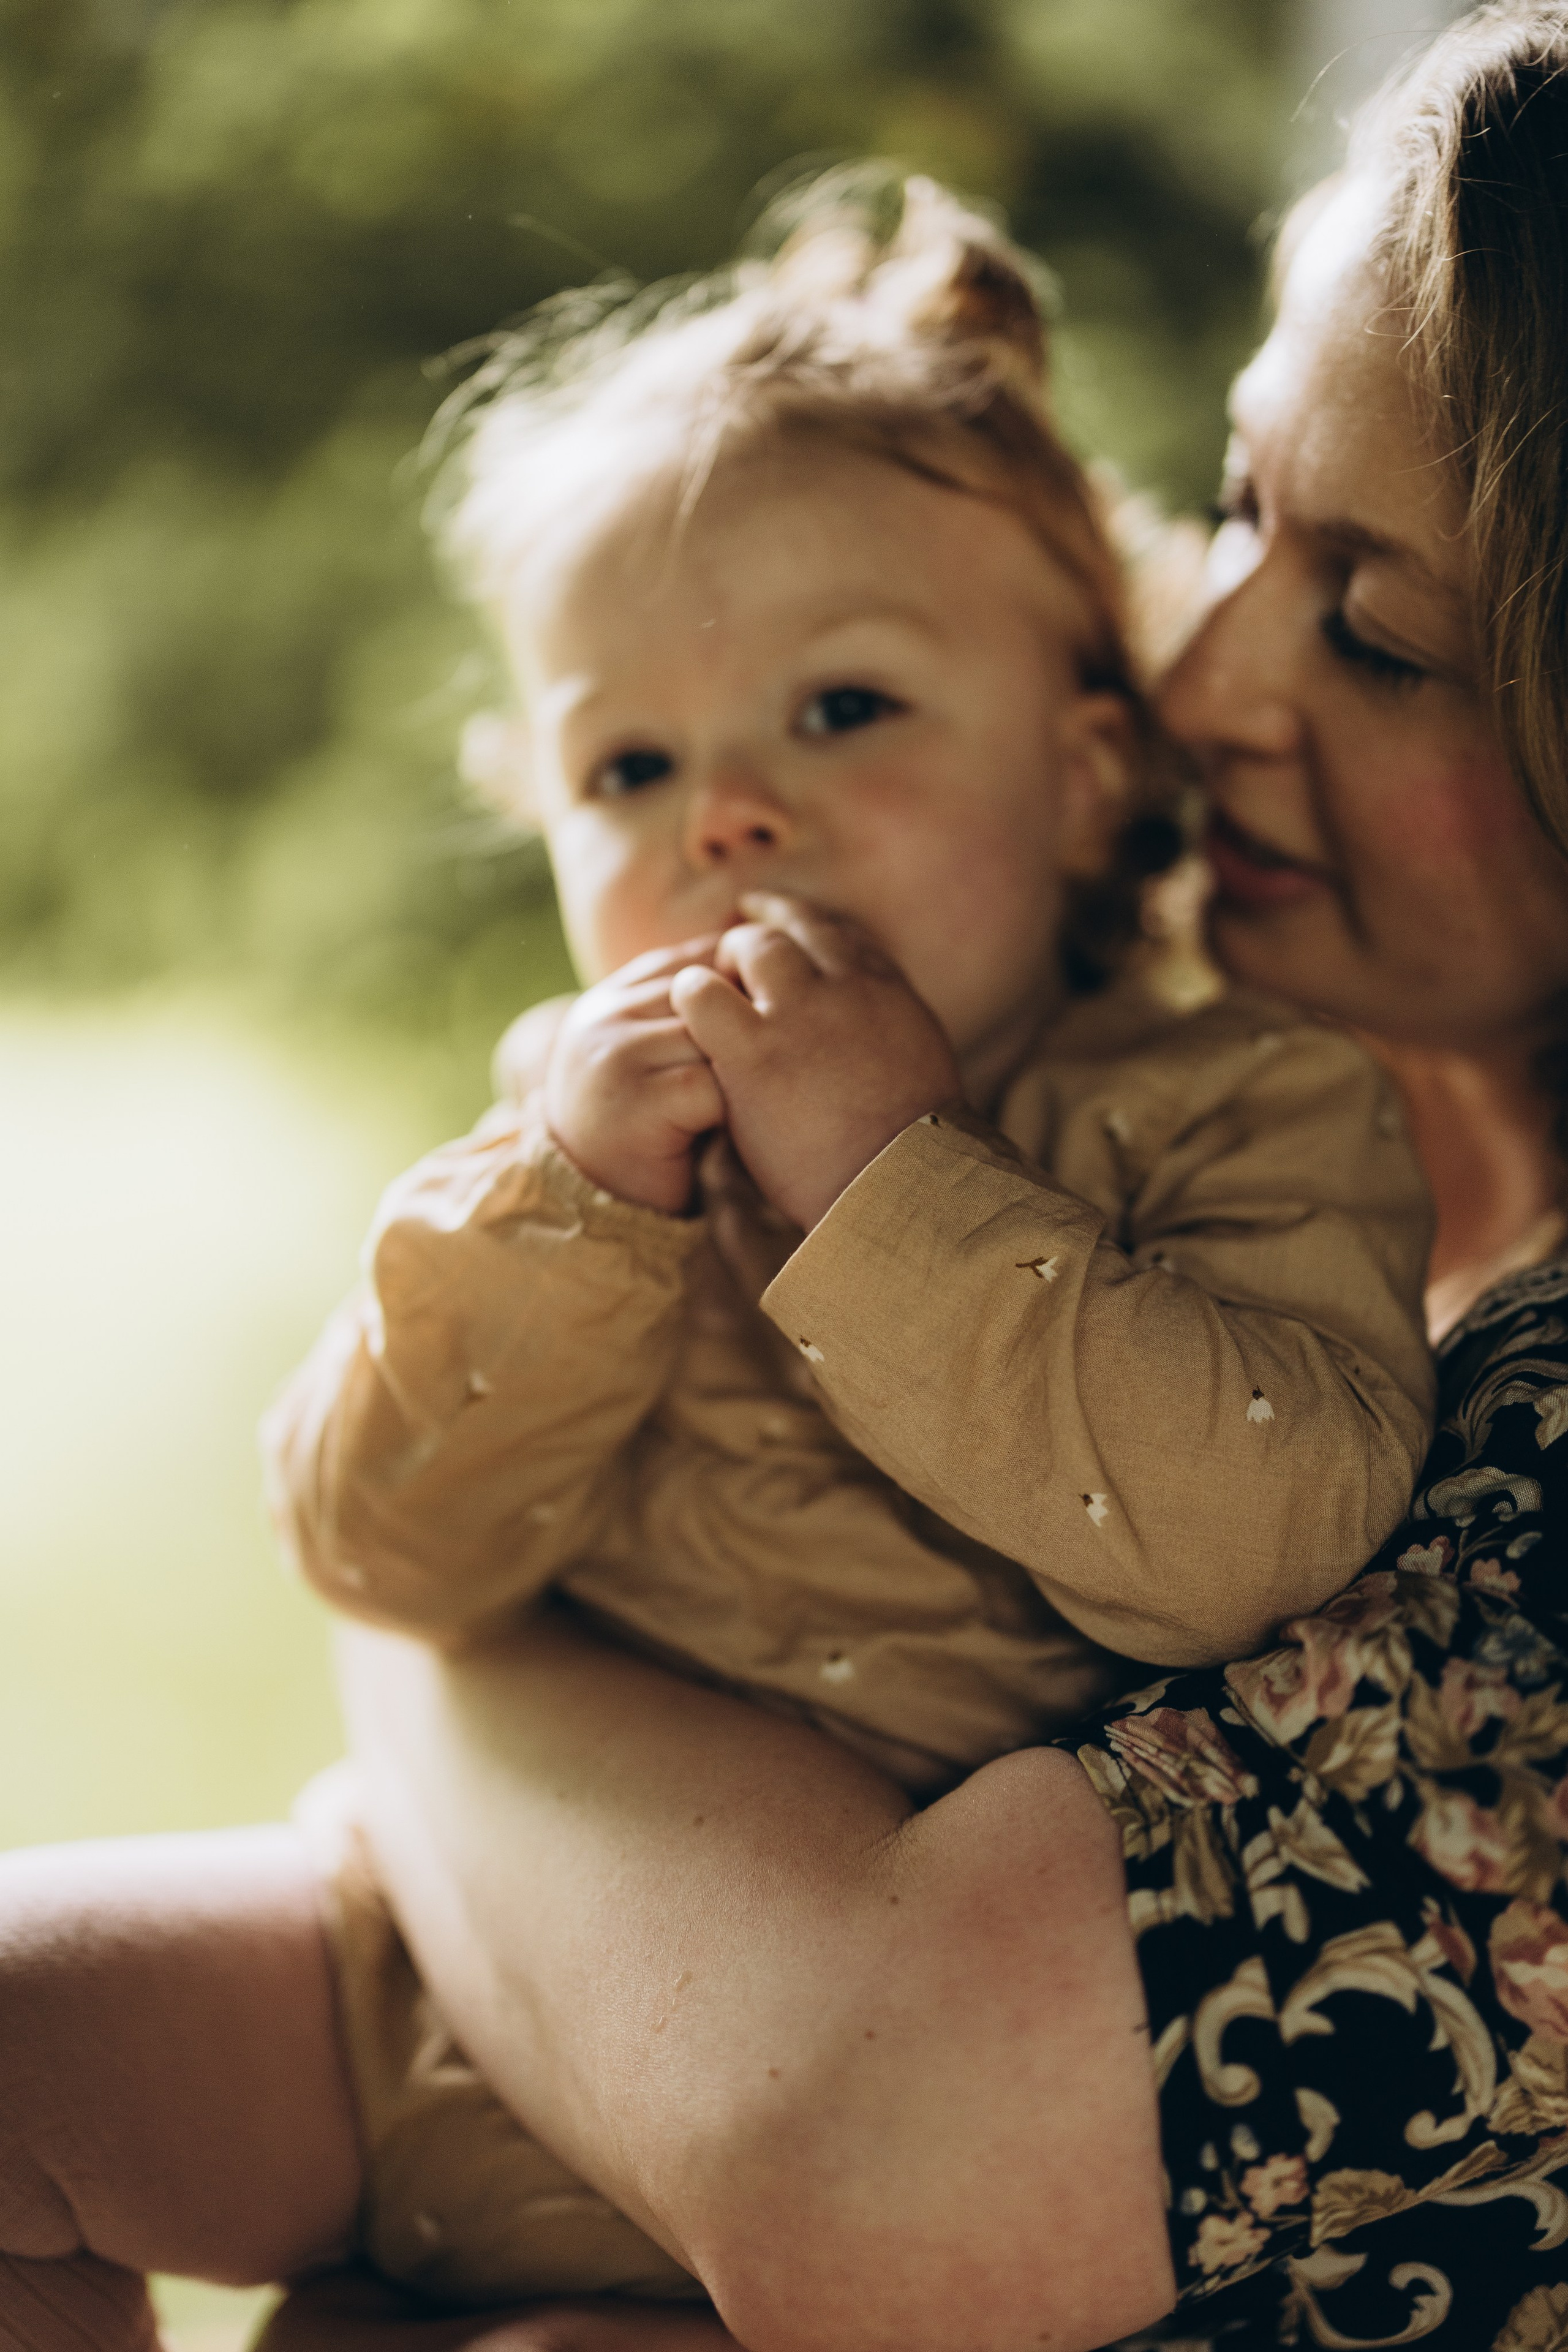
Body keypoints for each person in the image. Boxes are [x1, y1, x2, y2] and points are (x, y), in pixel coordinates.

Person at [263, 6, 1568, 2348]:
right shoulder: (630, 1104)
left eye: (1377, 627)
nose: (1206, 681)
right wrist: (546, 1239)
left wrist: (879, 1189)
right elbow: (377, 1526)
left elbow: (855, 2152)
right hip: (447, 2010)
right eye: (1250, 515)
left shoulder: (1232, 1135)